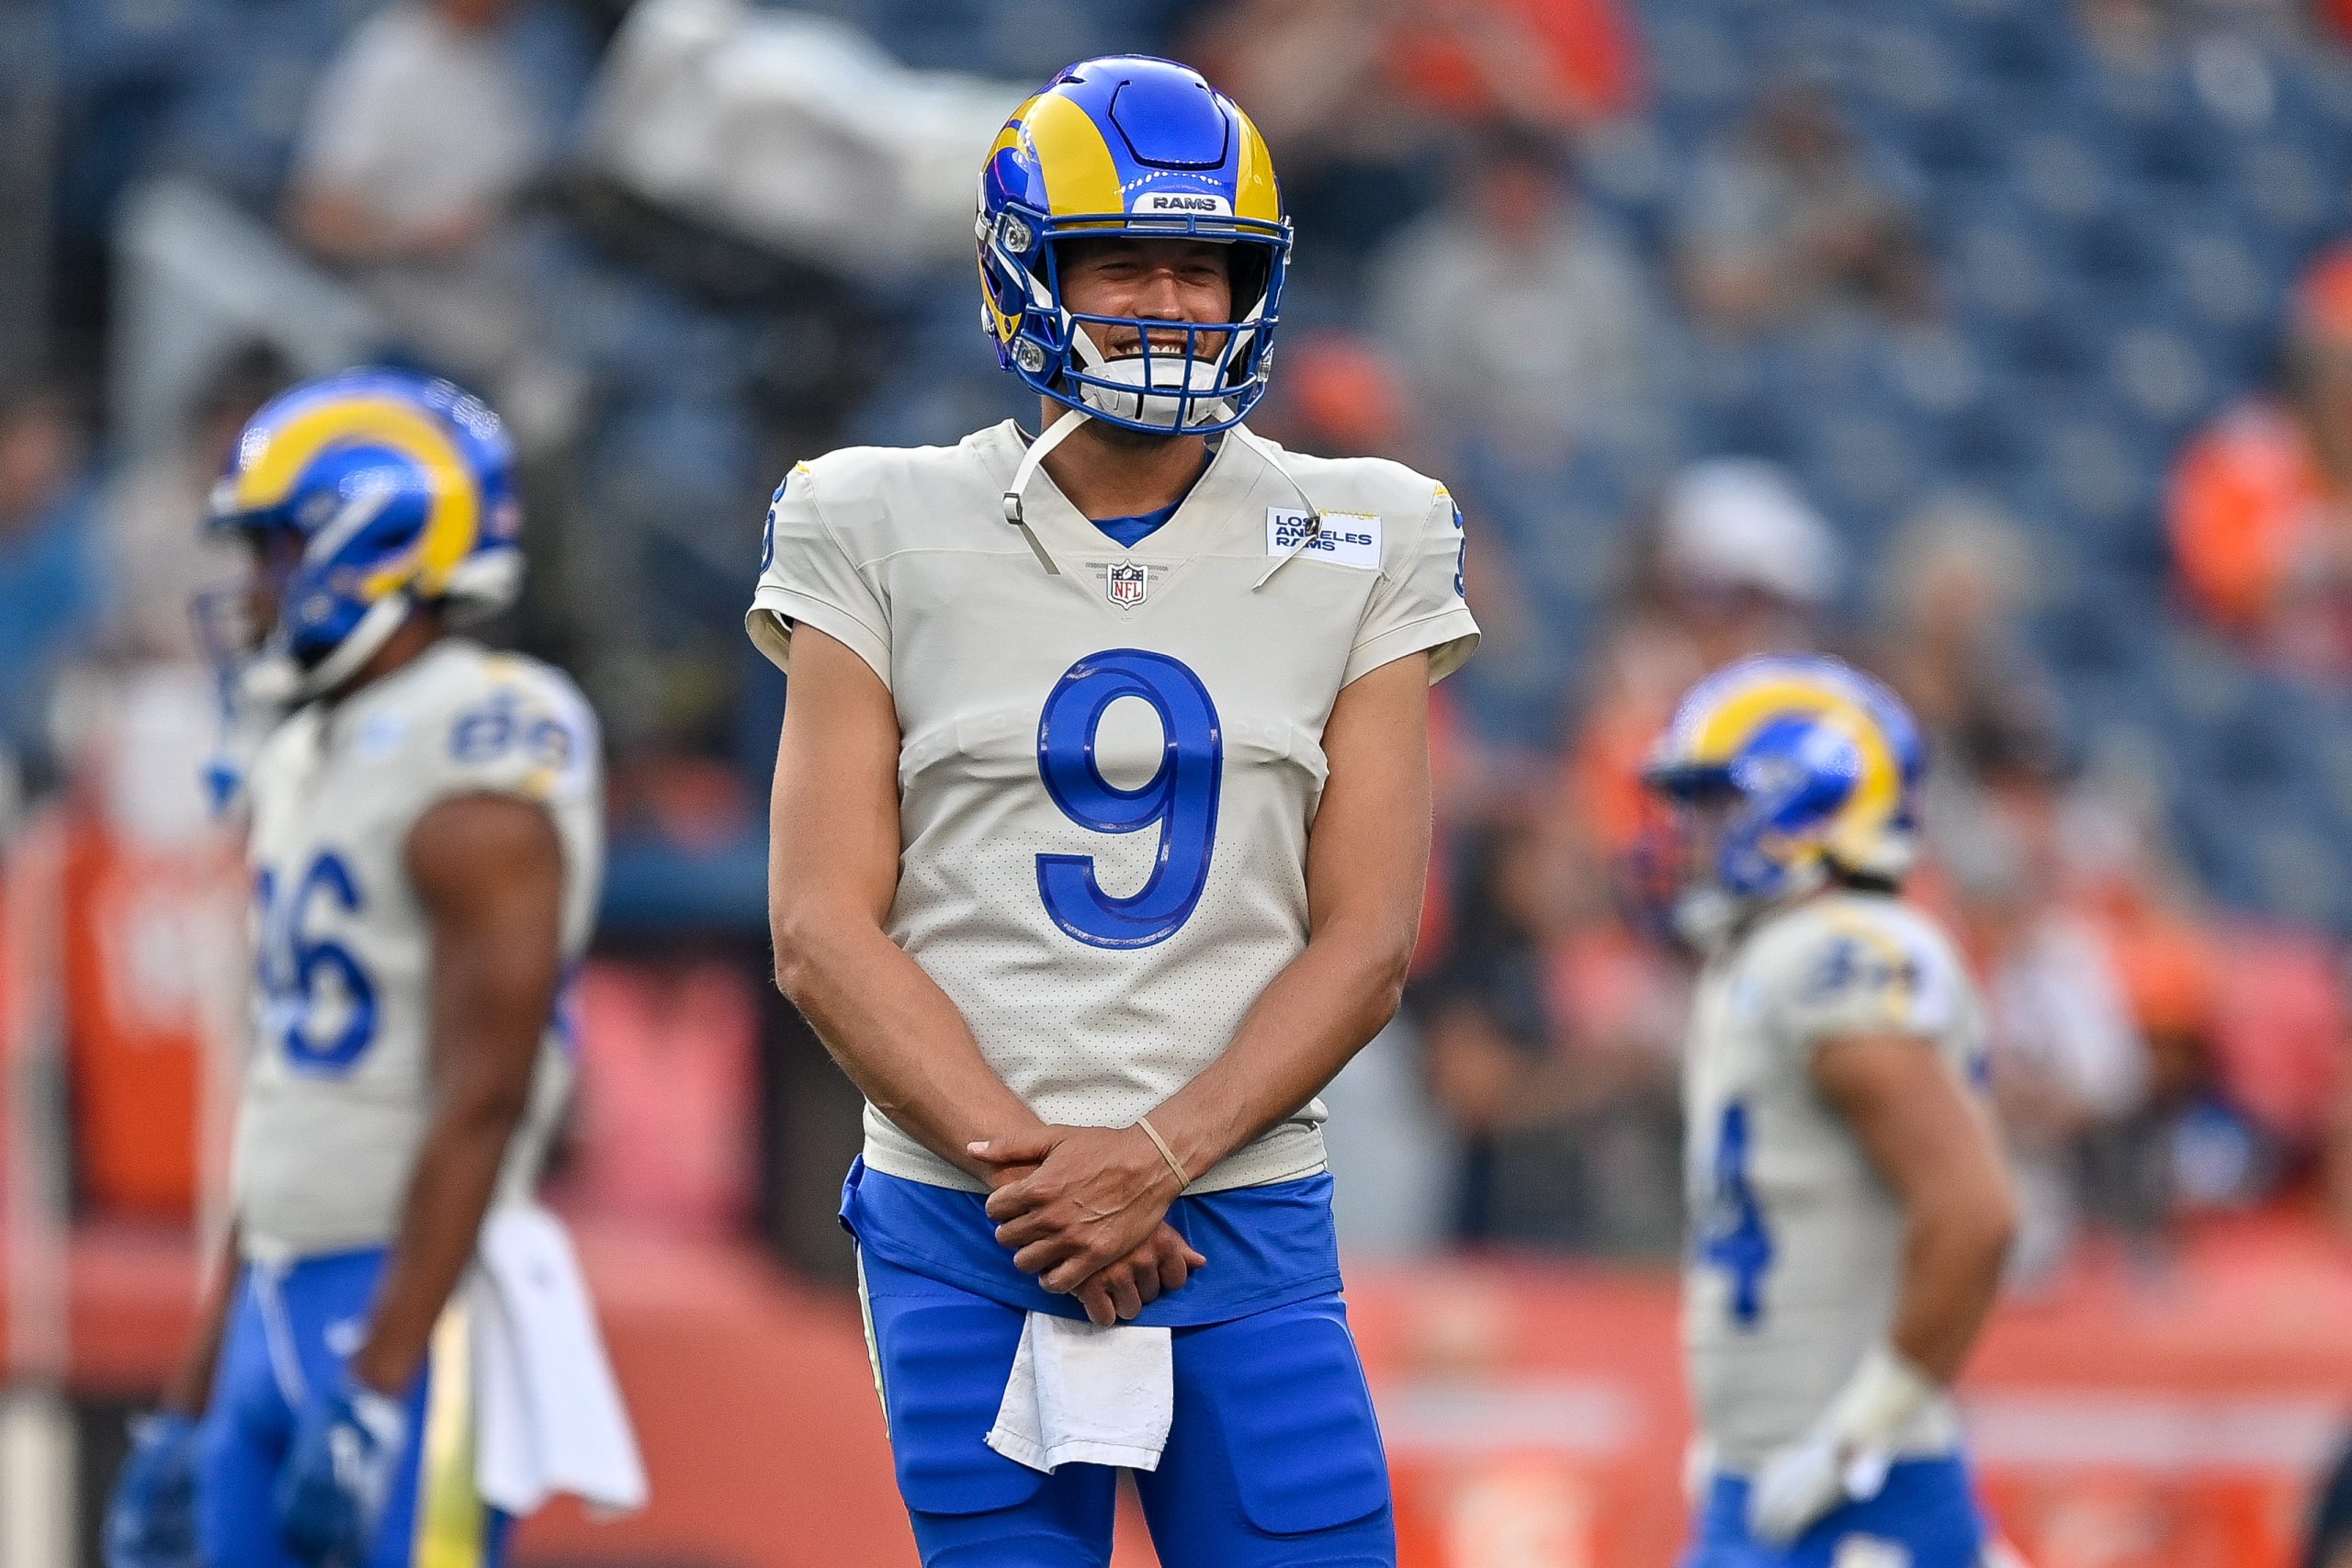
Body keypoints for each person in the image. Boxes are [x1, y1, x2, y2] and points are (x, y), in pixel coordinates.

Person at [751, 56, 1477, 1568]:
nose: (1167, 298)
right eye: (1121, 259)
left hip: (1243, 1216)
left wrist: (1152, 1153)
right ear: (1031, 275)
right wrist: (1043, 1171)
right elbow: (821, 927)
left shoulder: (1370, 529)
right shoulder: (873, 518)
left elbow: (1366, 942)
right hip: (972, 1224)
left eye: (1201, 264)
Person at [103, 369, 641, 1568]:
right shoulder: (310, 743)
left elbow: (488, 1092)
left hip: (409, 1300)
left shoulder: (479, 732)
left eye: (277, 549)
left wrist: (386, 1373)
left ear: (376, 539)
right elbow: (291, 1096)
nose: (252, 591)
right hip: (276, 1293)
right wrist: (189, 1393)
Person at [1643, 656, 2018, 1568]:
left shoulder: (1836, 953)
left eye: (1718, 805)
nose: (1689, 835)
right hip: (1767, 1470)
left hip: (1857, 1492)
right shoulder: (1764, 956)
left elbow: (1974, 1216)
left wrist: (1854, 1436)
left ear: (1800, 806)